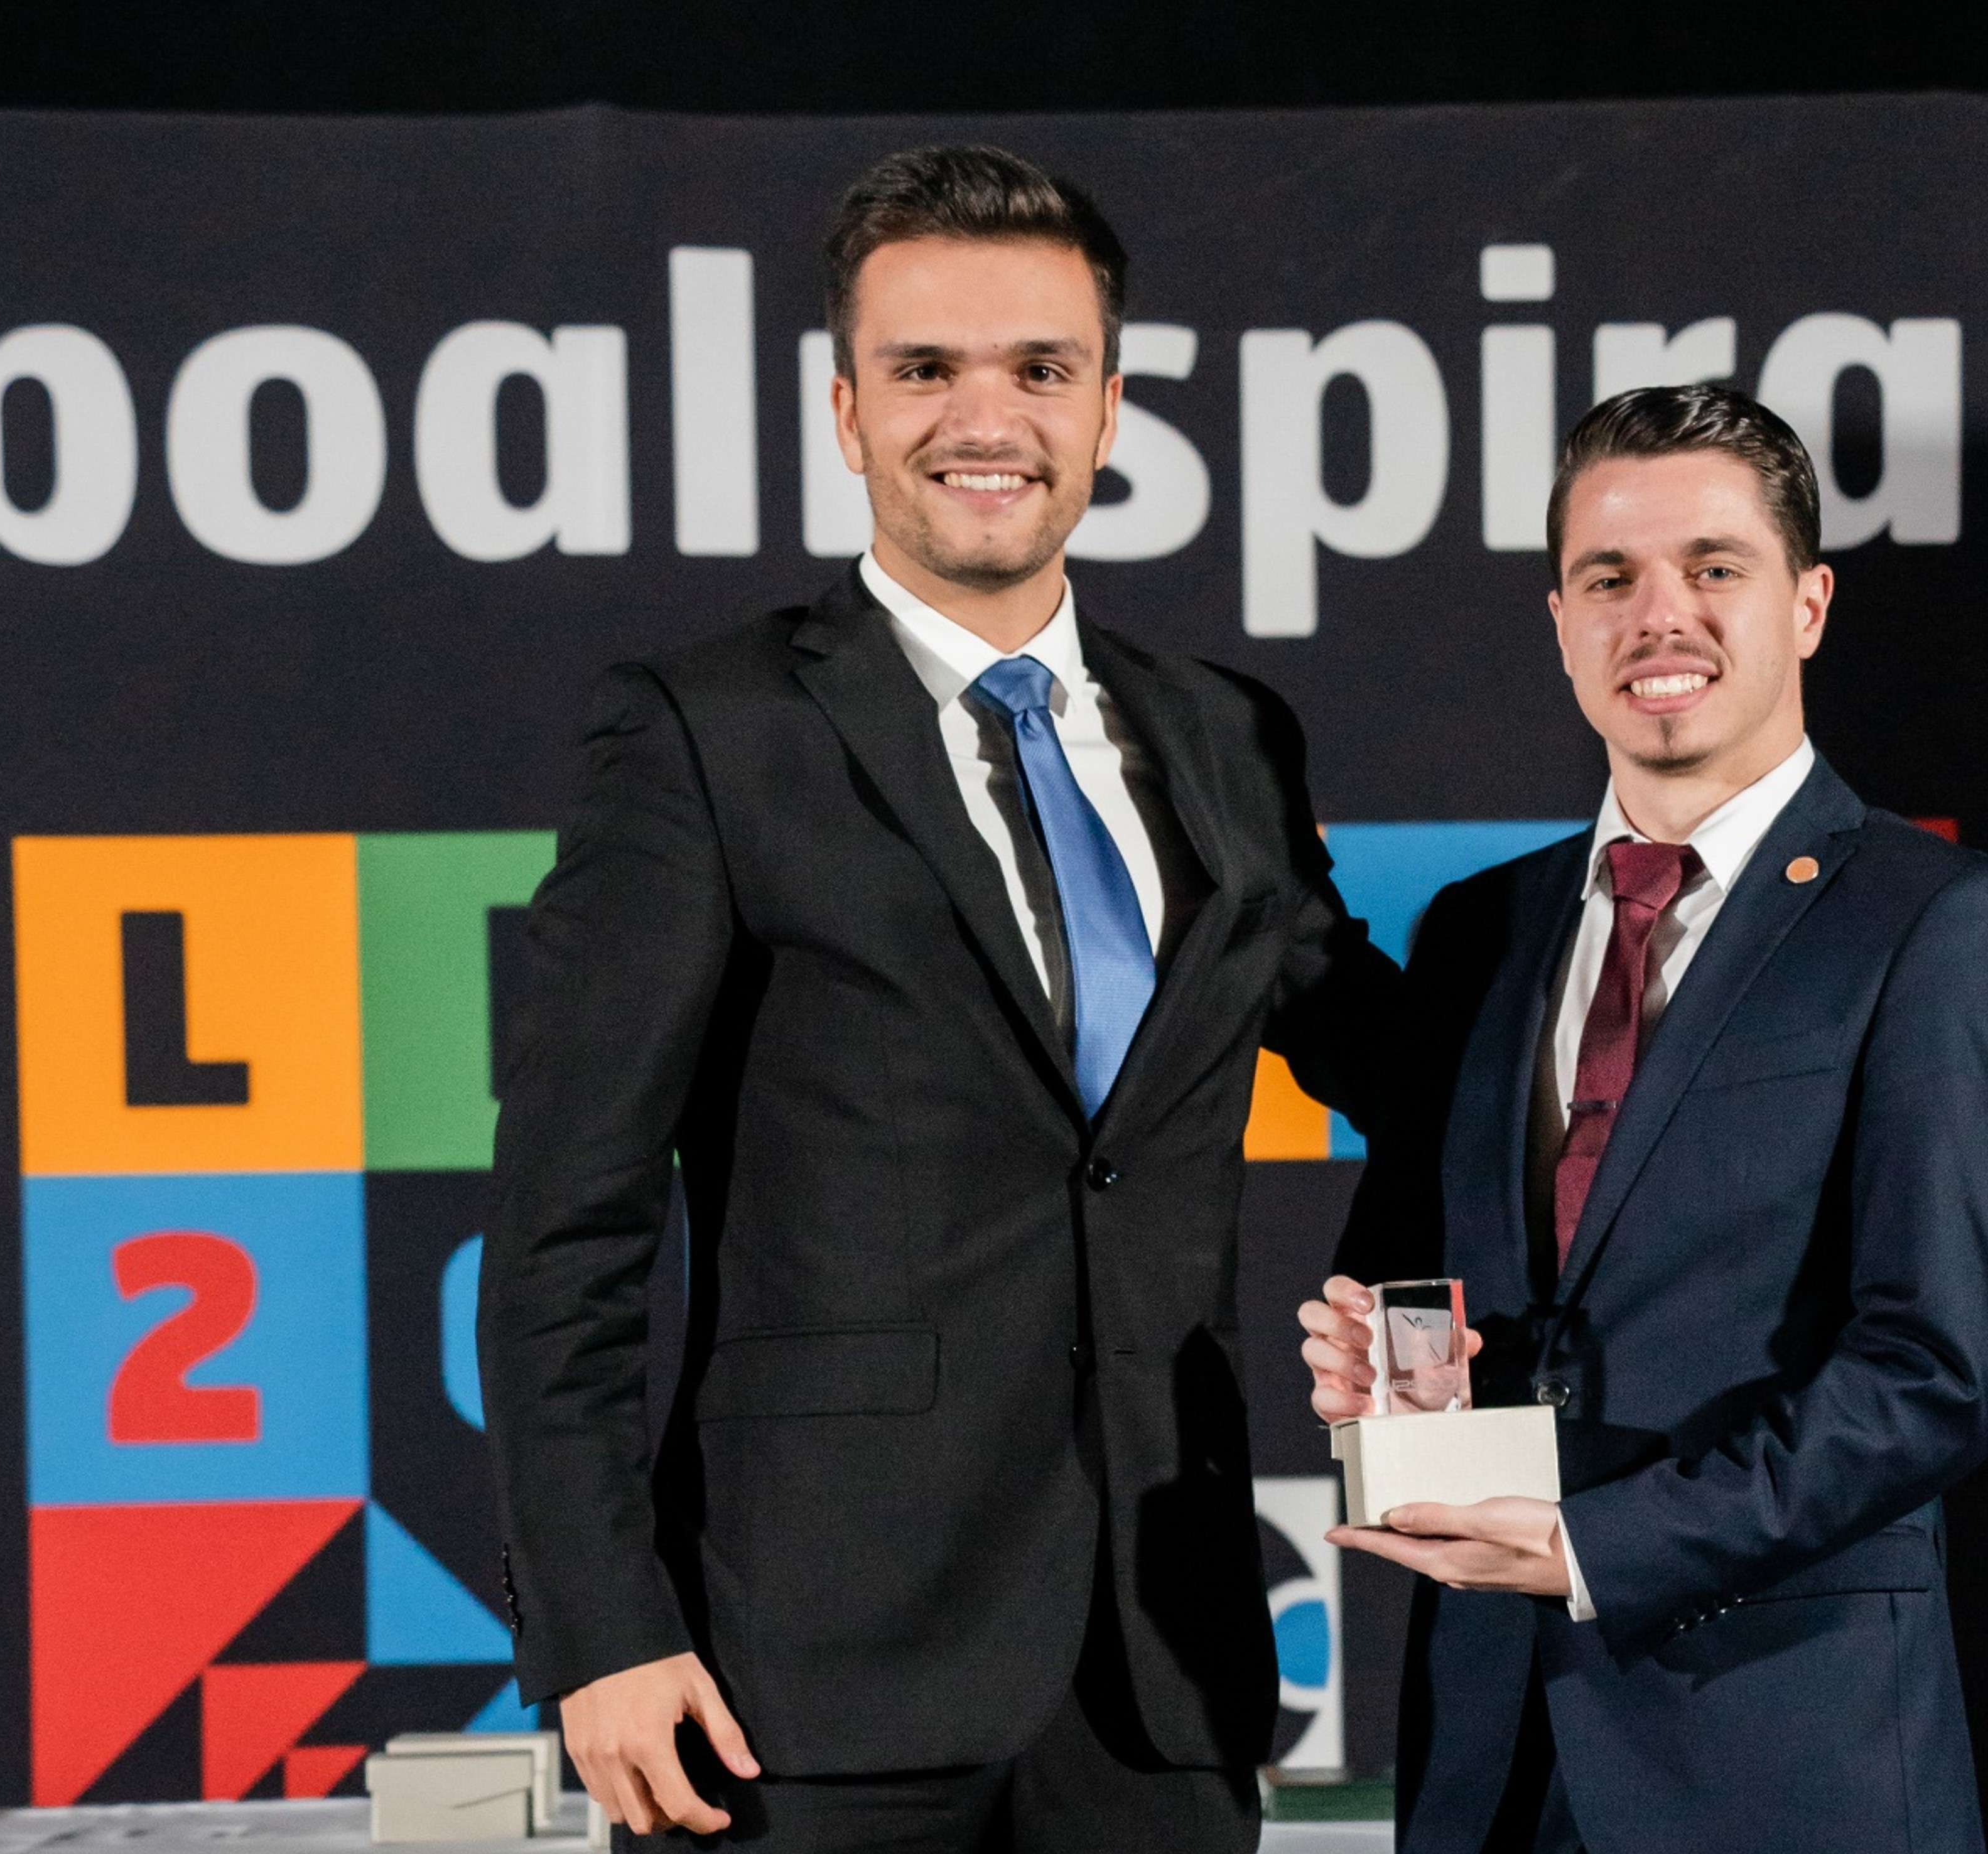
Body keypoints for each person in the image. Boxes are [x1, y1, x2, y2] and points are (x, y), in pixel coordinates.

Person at [483, 145, 1398, 1854]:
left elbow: (1394, 1058)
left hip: (1162, 1674)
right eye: (926, 370)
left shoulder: (1227, 737)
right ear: (846, 413)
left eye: (1041, 369)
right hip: (793, 1690)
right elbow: (564, 1224)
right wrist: (596, 1631)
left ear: (1110, 409)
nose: (988, 417)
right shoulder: (706, 732)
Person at [1300, 384, 1988, 1854]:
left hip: (1787, 1759)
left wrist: (1597, 1546)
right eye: (1611, 577)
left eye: (1715, 568)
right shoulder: (1477, 930)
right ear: (1560, 619)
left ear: (1809, 605)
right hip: (1489, 1758)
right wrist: (1375, 1374)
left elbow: (1934, 1374)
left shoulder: (1944, 926)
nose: (1661, 615)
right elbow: (1409, 1271)